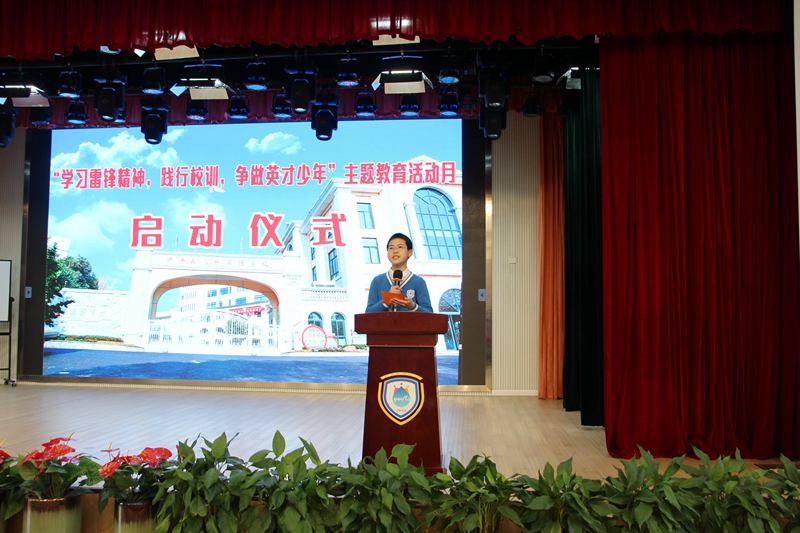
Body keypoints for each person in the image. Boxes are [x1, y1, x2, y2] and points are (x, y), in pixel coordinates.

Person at [365, 233, 433, 313]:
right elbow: (368, 313)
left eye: (400, 247)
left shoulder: (418, 281)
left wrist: (413, 306)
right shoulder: (377, 281)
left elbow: (429, 313)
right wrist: (386, 299)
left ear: (409, 252)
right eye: (391, 248)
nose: (395, 251)